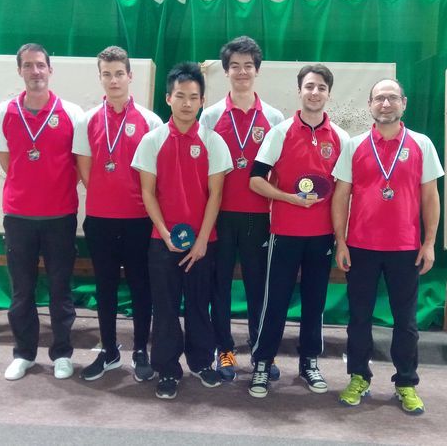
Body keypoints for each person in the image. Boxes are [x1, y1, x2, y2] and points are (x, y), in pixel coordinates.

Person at [331, 78, 444, 415]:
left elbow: (430, 197)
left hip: (405, 248)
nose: (385, 104)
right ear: (369, 105)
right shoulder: (354, 145)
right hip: (360, 246)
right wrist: (340, 241)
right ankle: (358, 377)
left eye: (392, 98)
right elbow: (340, 196)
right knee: (359, 318)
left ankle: (406, 383)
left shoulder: (422, 144)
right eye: (379, 98)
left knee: (406, 321)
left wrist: (429, 243)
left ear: (403, 103)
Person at [131, 62, 233, 399]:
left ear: (202, 101)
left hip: (204, 244)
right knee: (165, 309)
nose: (187, 103)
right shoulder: (152, 140)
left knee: (199, 306)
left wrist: (202, 241)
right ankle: (167, 370)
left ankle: (202, 362)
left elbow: (216, 195)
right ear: (168, 98)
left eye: (193, 97)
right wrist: (163, 233)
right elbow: (147, 192)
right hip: (162, 243)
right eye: (180, 96)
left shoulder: (213, 141)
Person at [247, 64, 349, 398]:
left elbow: (345, 190)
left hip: (322, 236)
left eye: (321, 87)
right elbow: (256, 179)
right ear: (299, 91)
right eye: (309, 86)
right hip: (284, 233)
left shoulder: (341, 138)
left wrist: (340, 236)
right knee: (275, 301)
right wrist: (289, 198)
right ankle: (262, 363)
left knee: (315, 303)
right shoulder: (280, 132)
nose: (314, 92)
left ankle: (309, 362)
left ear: (328, 94)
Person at [0, 43, 84, 381]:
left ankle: (62, 354)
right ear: (20, 71)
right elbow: (6, 162)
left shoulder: (71, 113)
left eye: (40, 65)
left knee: (60, 290)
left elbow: (78, 164)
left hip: (60, 216)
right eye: (28, 66)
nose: (35, 71)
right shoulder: (3, 113)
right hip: (19, 216)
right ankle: (24, 354)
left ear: (50, 70)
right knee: (21, 291)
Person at [72, 46, 163, 382]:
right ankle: (109, 351)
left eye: (119, 73)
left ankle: (140, 350)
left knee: (141, 285)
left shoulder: (150, 121)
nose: (113, 80)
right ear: (100, 78)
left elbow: (156, 175)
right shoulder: (87, 120)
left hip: (139, 219)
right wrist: (107, 194)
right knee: (105, 286)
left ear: (130, 76)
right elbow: (85, 170)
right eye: (107, 74)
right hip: (100, 219)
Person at [199, 36, 285, 381]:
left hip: (259, 217)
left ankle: (261, 352)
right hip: (220, 215)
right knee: (219, 286)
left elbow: (280, 169)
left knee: (258, 288)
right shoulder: (210, 115)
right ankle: (225, 350)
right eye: (235, 66)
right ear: (226, 71)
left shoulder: (274, 117)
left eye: (248, 66)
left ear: (257, 70)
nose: (242, 72)